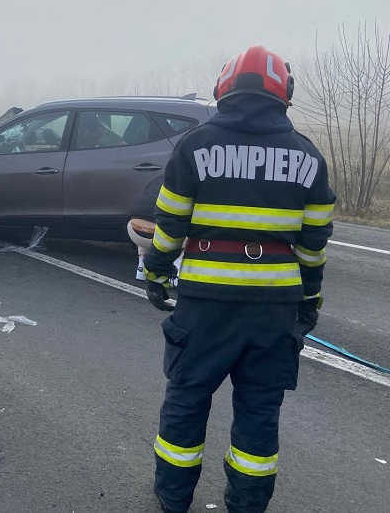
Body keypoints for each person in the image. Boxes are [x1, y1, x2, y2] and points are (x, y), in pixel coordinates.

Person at [142, 46, 335, 513]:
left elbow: (170, 225)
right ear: (284, 93)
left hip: (205, 306)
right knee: (259, 413)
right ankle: (248, 503)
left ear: (223, 88)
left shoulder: (194, 146)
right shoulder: (308, 157)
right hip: (274, 310)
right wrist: (309, 299)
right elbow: (313, 245)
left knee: (187, 399)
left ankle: (173, 497)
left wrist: (157, 272)